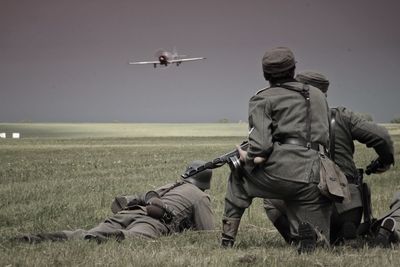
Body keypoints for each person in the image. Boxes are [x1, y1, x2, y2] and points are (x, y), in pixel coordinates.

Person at [221, 47, 333, 253]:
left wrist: (248, 157)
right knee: (320, 242)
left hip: (281, 173)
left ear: (265, 74)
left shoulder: (261, 98)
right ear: (293, 69)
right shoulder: (317, 95)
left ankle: (227, 238)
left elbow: (261, 147)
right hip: (318, 174)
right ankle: (310, 237)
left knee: (238, 176)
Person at [264, 71, 394, 245]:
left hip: (306, 207)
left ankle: (297, 237)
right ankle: (346, 230)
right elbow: (382, 136)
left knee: (270, 200)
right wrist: (384, 162)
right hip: (348, 205)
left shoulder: (284, 121)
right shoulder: (342, 117)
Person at [16, 160, 214, 243]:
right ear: (206, 181)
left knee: (88, 232)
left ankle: (40, 238)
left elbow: (149, 195)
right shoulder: (200, 196)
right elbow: (208, 233)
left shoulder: (174, 184)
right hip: (153, 222)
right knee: (130, 239)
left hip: (132, 211)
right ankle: (102, 240)